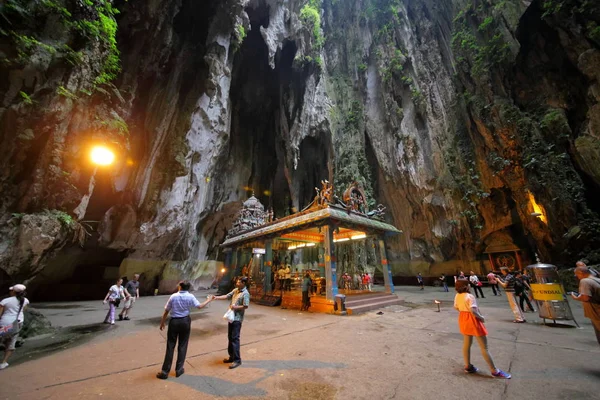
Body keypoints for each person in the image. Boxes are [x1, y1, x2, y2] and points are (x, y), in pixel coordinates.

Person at [453, 280, 511, 378]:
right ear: (466, 286)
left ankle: (468, 366)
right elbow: (473, 310)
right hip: (472, 319)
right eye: (468, 285)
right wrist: (481, 317)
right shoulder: (469, 296)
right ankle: (494, 371)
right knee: (484, 347)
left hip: (463, 318)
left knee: (467, 344)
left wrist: (463, 311)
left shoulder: (457, 296)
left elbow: (456, 307)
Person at [156, 281, 213, 379]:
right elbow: (199, 306)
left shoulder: (174, 296)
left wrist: (162, 322)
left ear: (180, 287)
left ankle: (165, 372)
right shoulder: (190, 296)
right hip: (185, 321)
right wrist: (209, 300)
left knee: (170, 346)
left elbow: (166, 310)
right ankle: (179, 370)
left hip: (174, 322)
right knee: (183, 345)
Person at [212, 276, 250, 369]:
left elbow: (245, 306)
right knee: (230, 337)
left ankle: (237, 360)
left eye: (238, 282)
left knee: (235, 338)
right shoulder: (236, 290)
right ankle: (231, 357)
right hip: (231, 317)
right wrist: (216, 297)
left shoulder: (245, 293)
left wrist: (235, 307)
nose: (237, 283)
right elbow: (227, 296)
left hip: (237, 318)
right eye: (237, 282)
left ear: (243, 283)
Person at [0, 284, 29, 370]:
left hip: (5, 323)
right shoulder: (25, 300)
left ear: (13, 291)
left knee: (2, 337)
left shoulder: (5, 301)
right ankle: (3, 362)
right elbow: (24, 310)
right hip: (17, 323)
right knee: (11, 342)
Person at [571, 266, 600, 345]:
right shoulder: (597, 279)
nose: (576, 277)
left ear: (581, 273)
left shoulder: (585, 281)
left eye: (577, 274)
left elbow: (585, 297)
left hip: (595, 311)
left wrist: (575, 297)